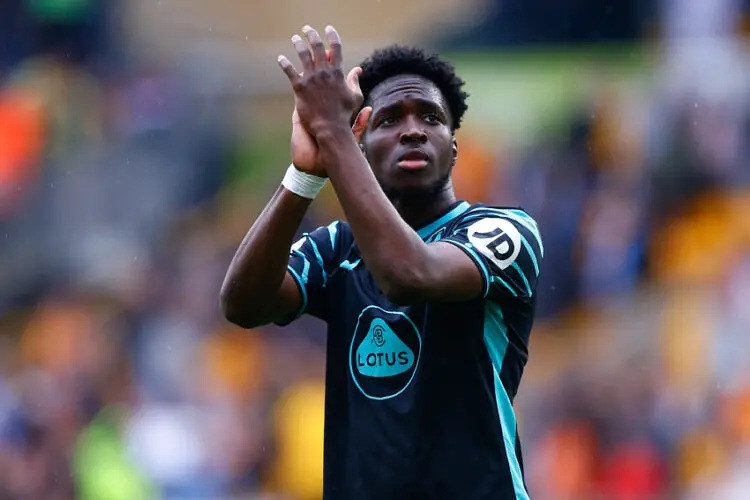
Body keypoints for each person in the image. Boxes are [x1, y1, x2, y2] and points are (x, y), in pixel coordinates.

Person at [221, 25, 543, 500]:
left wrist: (333, 132)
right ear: (363, 146)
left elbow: (409, 275)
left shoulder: (505, 231)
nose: (413, 129)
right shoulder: (338, 247)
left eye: (431, 118)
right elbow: (243, 305)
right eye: (390, 119)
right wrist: (305, 176)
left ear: (453, 146)